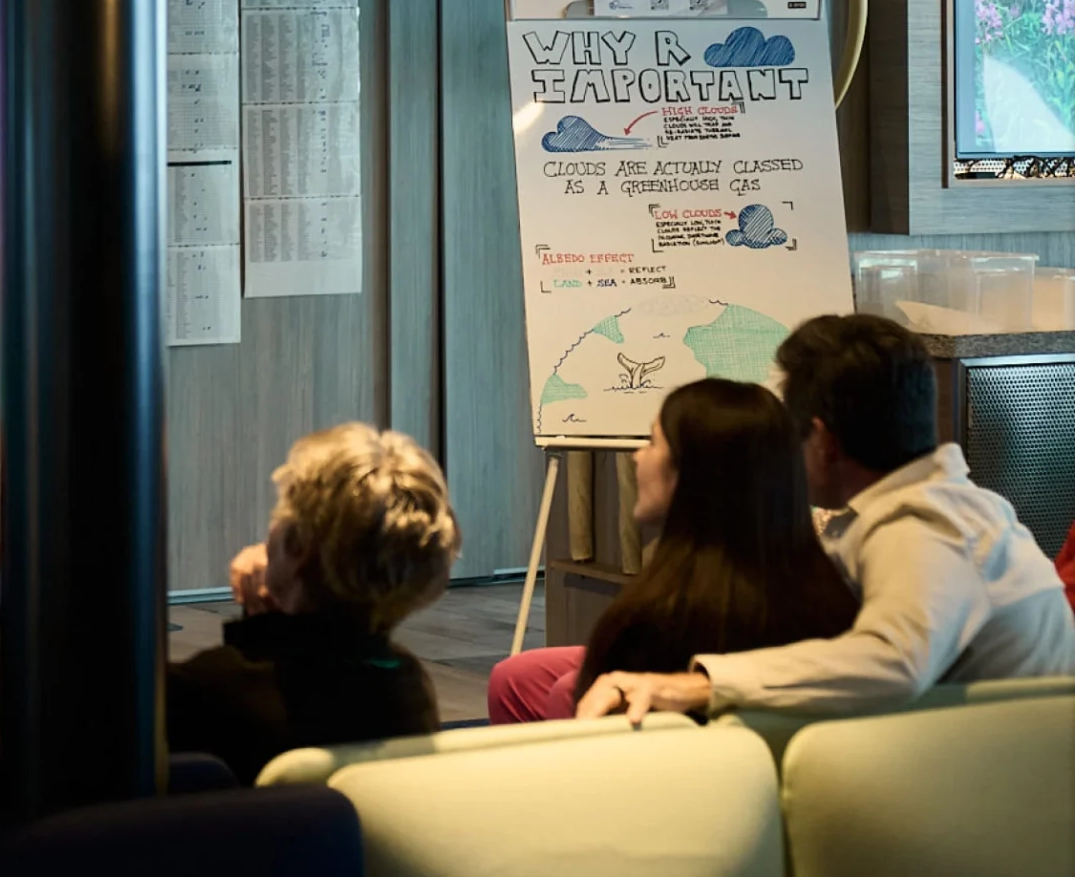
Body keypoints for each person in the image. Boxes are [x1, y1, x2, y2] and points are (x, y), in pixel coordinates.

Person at [580, 315, 1075, 724]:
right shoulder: (915, 510)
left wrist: (696, 685)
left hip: (992, 783)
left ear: (823, 441)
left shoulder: (925, 526)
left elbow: (893, 659)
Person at [488, 379, 859, 723]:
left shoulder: (664, 615)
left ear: (693, 474)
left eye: (652, 442)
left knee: (568, 692)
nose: (637, 456)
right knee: (516, 676)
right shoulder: (808, 576)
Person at [167, 425, 459, 782]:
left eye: (280, 514)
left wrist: (260, 626)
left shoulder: (204, 688)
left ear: (297, 547)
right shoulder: (410, 687)